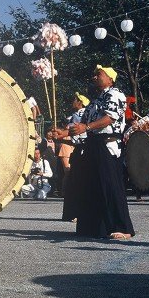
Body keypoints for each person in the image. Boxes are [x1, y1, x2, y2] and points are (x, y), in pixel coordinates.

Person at [58, 65, 134, 240]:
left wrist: (87, 127)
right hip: (92, 144)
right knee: (91, 187)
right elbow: (81, 127)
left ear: (110, 78)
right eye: (94, 75)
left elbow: (110, 118)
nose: (94, 77)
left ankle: (122, 227)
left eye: (98, 74)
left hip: (107, 145)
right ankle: (93, 227)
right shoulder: (95, 101)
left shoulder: (115, 95)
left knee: (110, 186)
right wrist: (62, 134)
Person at [53, 92, 89, 221]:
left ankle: (75, 213)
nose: (73, 101)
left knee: (76, 182)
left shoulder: (78, 115)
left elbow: (76, 136)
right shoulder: (86, 114)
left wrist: (60, 135)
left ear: (80, 102)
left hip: (81, 151)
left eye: (75, 99)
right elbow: (75, 140)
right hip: (83, 149)